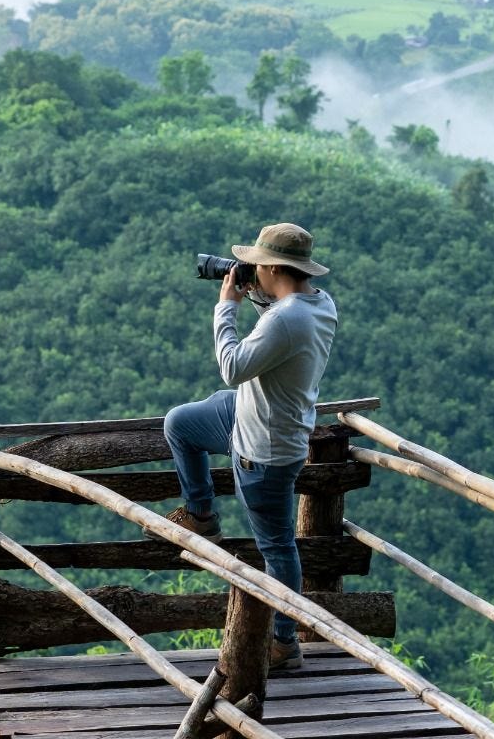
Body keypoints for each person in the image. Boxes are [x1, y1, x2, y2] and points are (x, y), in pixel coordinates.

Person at [159, 222, 336, 674]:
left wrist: (226, 307)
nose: (250, 269)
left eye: (257, 264)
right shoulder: (318, 304)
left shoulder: (285, 319)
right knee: (179, 423)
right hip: (255, 418)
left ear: (274, 266)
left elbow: (233, 367)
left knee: (278, 548)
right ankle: (202, 517)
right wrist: (257, 293)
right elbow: (277, 329)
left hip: (266, 450)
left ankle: (283, 643)